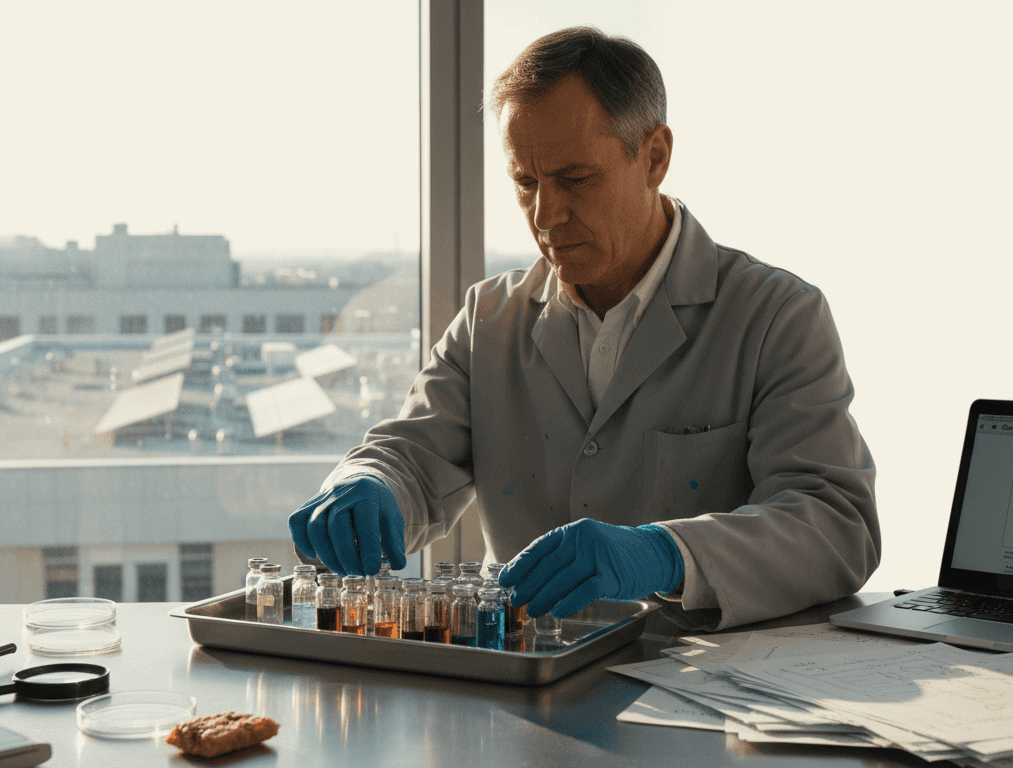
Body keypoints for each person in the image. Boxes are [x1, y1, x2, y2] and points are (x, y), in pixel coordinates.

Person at [289, 27, 879, 631]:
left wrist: (665, 555)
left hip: (701, 691)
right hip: (524, 684)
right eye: (526, 182)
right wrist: (366, 482)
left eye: (574, 179)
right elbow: (409, 457)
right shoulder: (489, 319)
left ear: (654, 158)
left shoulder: (776, 315)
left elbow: (836, 525)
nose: (545, 214)